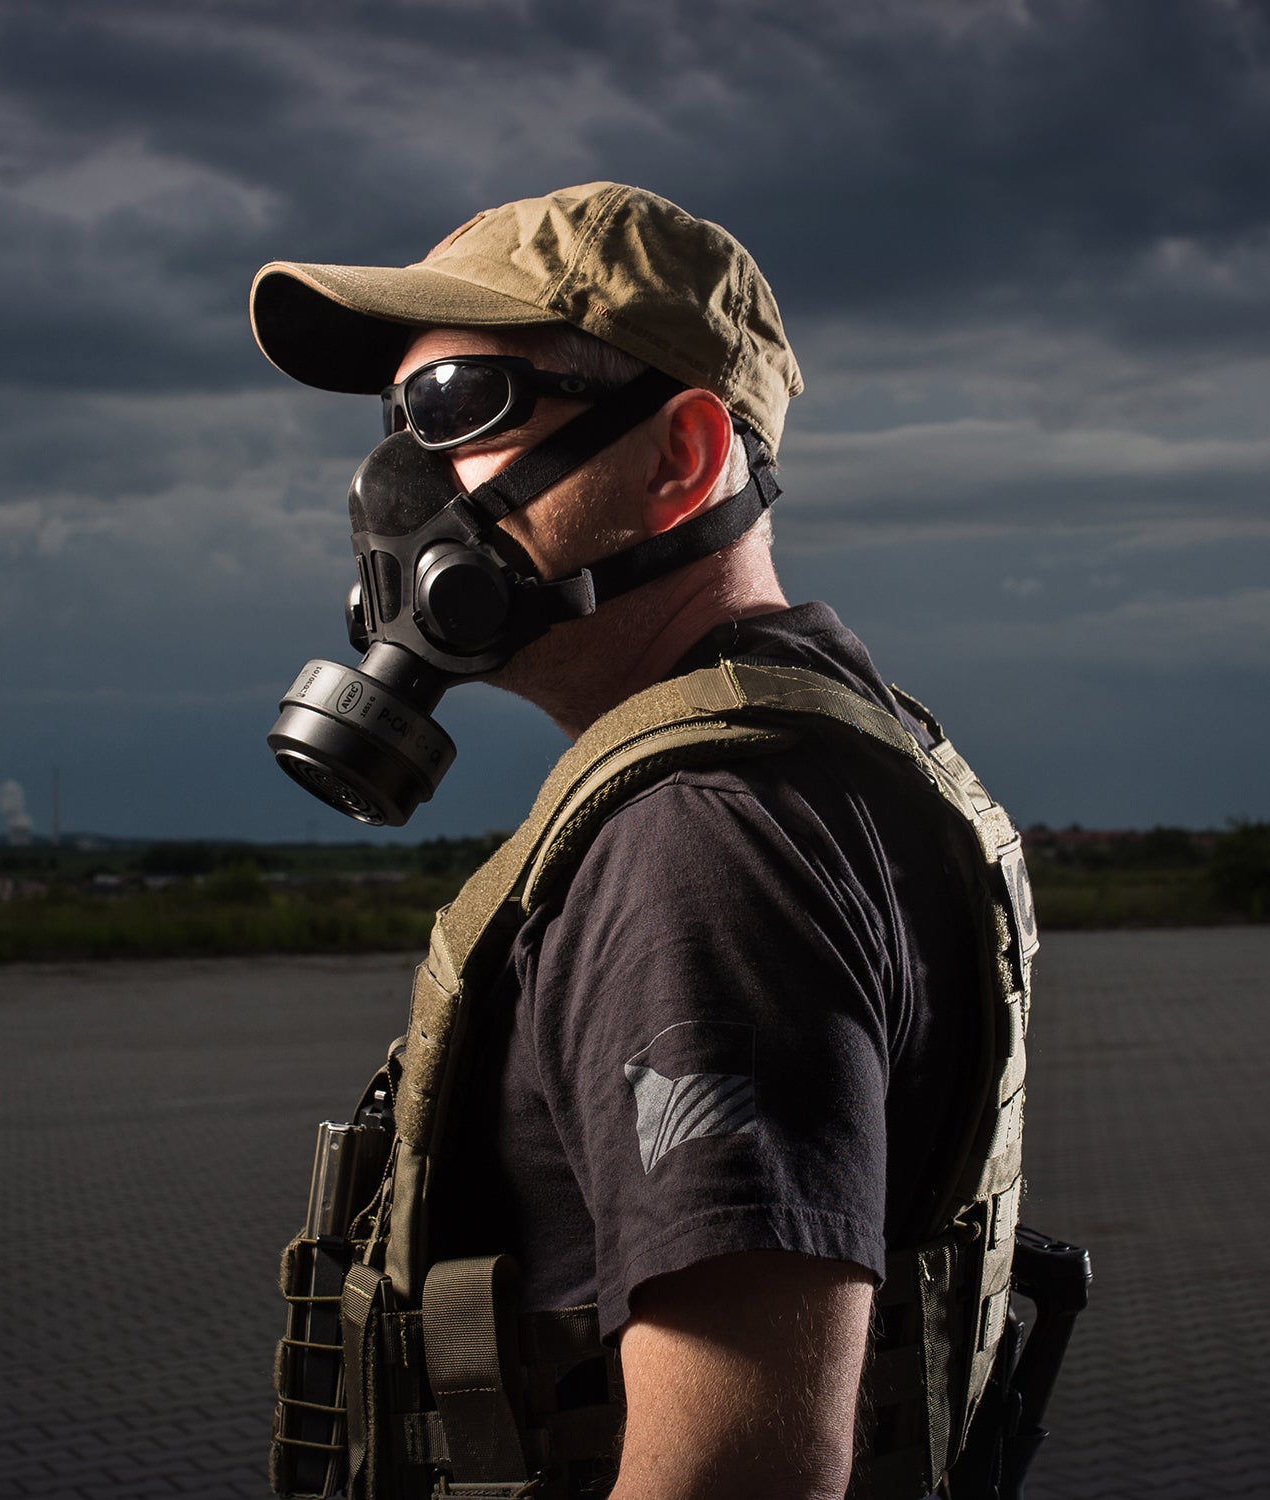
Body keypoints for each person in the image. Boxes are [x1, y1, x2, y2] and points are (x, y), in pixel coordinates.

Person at [253, 183, 1032, 1500]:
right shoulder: (813, 762)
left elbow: (742, 1469)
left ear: (679, 455)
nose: (397, 485)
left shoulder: (707, 847)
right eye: (398, 423)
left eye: (455, 408)